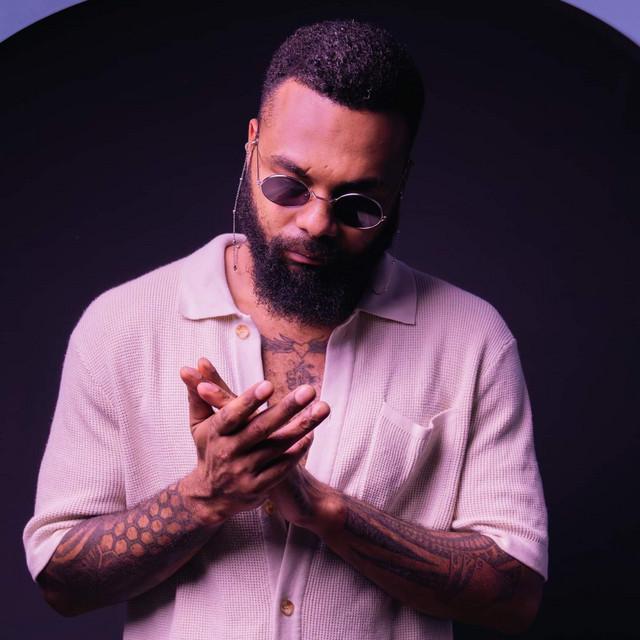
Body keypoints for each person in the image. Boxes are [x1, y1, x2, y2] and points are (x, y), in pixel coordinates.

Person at [24, 19, 548, 639]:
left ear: (401, 183)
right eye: (289, 186)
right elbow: (60, 582)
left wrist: (328, 512)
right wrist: (204, 496)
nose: (317, 224)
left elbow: (514, 596)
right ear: (251, 144)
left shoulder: (471, 339)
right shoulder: (121, 324)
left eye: (358, 203)